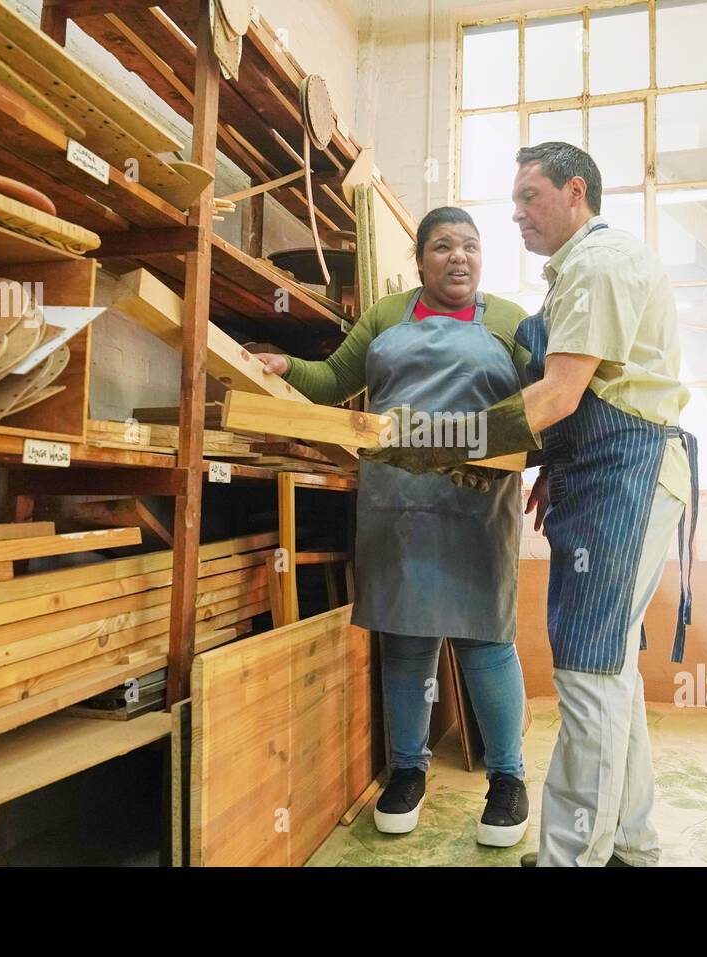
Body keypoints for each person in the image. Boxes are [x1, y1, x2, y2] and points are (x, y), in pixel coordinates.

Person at [365, 142, 698, 867]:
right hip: (597, 473)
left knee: (586, 674)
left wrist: (443, 442)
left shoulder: (599, 264)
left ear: (575, 191)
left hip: (627, 477)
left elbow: (557, 395)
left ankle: (570, 858)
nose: (515, 214)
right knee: (610, 674)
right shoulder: (577, 270)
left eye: (528, 198)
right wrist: (545, 461)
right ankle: (632, 849)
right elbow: (580, 403)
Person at [252, 207, 533, 847]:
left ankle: (508, 780)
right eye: (442, 247)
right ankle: (407, 771)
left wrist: (545, 469)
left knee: (485, 639)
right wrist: (286, 368)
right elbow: (333, 381)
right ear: (420, 259)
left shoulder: (512, 321)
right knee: (406, 640)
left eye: (469, 246)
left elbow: (546, 402)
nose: (458, 258)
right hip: (397, 501)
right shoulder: (385, 317)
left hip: (478, 504)